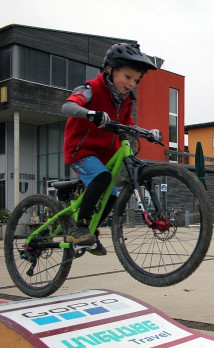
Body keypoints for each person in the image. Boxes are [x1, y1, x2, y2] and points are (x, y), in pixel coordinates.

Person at [62, 43, 161, 255]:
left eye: (136, 80)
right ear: (110, 69)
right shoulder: (91, 88)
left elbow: (129, 125)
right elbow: (67, 106)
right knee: (102, 178)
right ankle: (79, 227)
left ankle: (90, 232)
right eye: (127, 77)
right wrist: (90, 114)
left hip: (103, 155)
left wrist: (148, 132)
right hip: (81, 149)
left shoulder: (125, 101)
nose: (131, 84)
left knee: (113, 196)